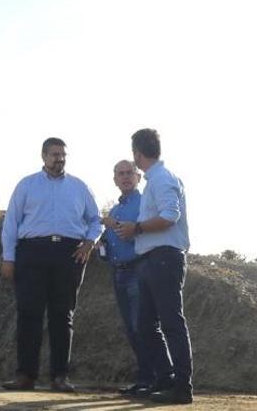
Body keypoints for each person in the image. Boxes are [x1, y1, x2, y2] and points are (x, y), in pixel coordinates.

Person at [0, 137, 101, 392]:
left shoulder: (79, 187)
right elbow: (11, 222)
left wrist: (89, 243)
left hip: (69, 254)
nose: (60, 159)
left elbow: (95, 220)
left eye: (63, 154)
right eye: (55, 154)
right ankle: (26, 376)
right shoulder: (27, 185)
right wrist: (9, 258)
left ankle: (60, 377)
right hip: (32, 253)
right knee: (29, 314)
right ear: (43, 156)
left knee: (62, 316)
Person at [114, 128, 192, 404]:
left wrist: (136, 227)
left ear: (137, 153)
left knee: (171, 322)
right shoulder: (156, 179)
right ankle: (165, 379)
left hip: (164, 257)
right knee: (146, 325)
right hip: (151, 259)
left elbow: (170, 216)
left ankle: (181, 387)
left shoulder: (161, 178)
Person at [98, 160, 160, 396]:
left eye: (129, 173)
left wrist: (113, 225)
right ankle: (145, 379)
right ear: (114, 179)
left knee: (142, 326)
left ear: (138, 177)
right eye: (120, 174)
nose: (125, 177)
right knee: (132, 329)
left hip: (138, 270)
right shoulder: (116, 209)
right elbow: (111, 240)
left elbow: (141, 231)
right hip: (119, 272)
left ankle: (156, 379)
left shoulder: (144, 204)